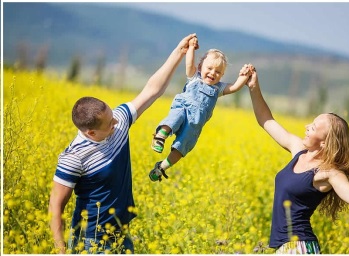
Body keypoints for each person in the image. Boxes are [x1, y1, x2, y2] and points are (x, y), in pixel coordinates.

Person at [48, 33, 198, 254]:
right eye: (109, 122)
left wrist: (179, 52)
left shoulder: (118, 122)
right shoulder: (74, 157)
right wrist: (60, 251)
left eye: (113, 114)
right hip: (92, 241)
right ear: (90, 132)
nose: (117, 121)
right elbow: (55, 207)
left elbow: (152, 90)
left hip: (122, 232)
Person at [246, 66, 349, 254]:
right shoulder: (298, 151)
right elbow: (266, 119)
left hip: (299, 247)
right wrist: (253, 87)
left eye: (314, 127)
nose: (307, 127)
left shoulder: (328, 172)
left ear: (325, 143)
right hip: (287, 247)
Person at [149, 36, 252, 182]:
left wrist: (245, 75)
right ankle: (160, 137)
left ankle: (161, 167)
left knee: (181, 148)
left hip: (194, 124)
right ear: (200, 67)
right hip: (183, 109)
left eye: (218, 72)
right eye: (209, 68)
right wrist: (191, 48)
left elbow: (235, 87)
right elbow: (189, 63)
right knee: (175, 118)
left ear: (222, 75)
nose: (212, 73)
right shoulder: (194, 77)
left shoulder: (219, 88)